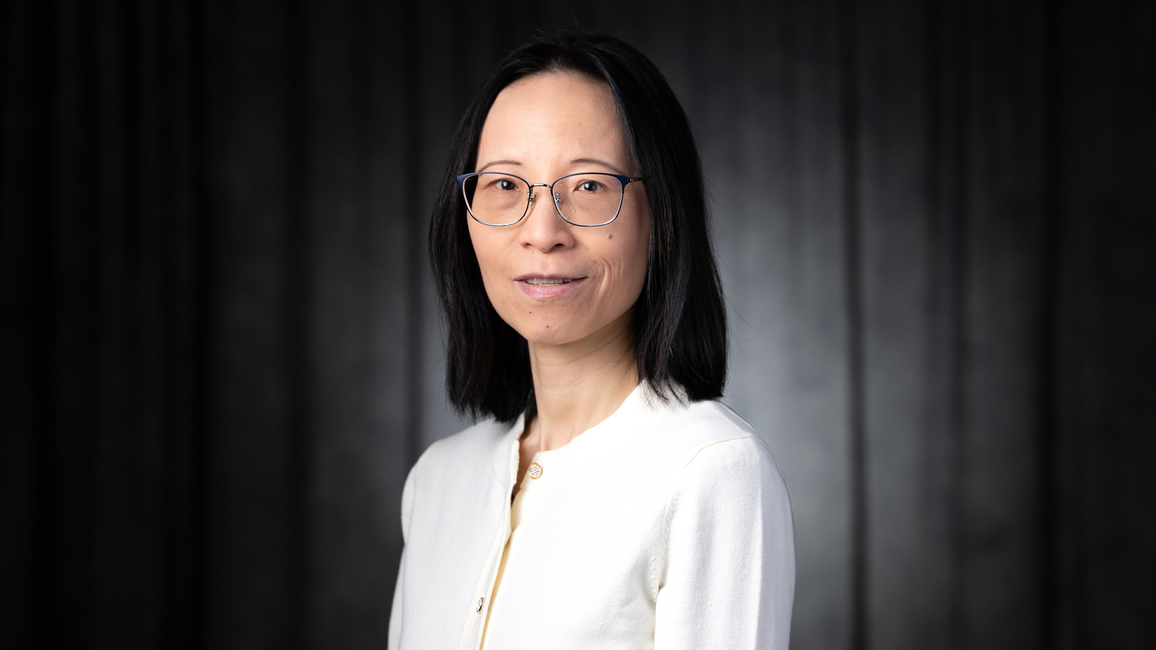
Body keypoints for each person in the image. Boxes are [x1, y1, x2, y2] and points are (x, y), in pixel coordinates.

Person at [388, 30, 795, 650]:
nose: (542, 232)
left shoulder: (711, 472)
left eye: (589, 186)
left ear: (660, 219)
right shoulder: (438, 481)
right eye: (504, 185)